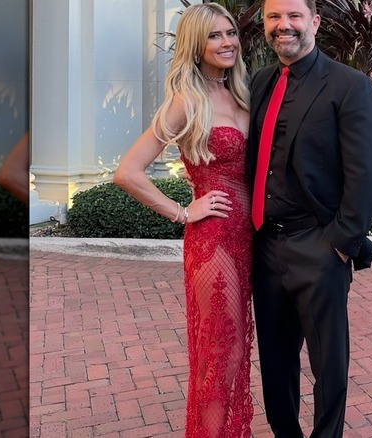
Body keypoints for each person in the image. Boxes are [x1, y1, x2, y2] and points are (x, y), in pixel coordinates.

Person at [112, 4, 254, 437]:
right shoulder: (186, 101)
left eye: (230, 33)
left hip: (251, 238)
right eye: (214, 36)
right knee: (222, 353)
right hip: (214, 239)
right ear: (195, 45)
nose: (227, 42)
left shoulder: (244, 94)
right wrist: (184, 212)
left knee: (235, 351)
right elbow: (128, 172)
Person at [249, 0, 372, 436]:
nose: (283, 25)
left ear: (315, 22)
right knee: (275, 362)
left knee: (328, 366)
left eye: (294, 16)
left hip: (318, 246)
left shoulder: (349, 86)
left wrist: (340, 245)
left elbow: (366, 174)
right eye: (274, 17)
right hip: (265, 246)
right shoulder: (259, 82)